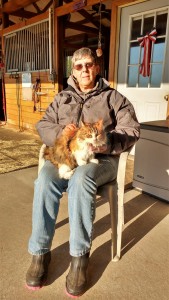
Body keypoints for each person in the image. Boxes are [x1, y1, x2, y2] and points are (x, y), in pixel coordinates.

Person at [26, 47, 140, 297]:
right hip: (67, 157)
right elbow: (42, 124)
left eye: (88, 64)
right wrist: (60, 134)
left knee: (81, 179)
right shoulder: (62, 97)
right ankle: (39, 253)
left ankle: (79, 258)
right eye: (78, 66)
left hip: (101, 160)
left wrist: (107, 141)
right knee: (45, 179)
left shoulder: (114, 98)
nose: (84, 70)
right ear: (73, 72)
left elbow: (131, 130)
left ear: (96, 68)